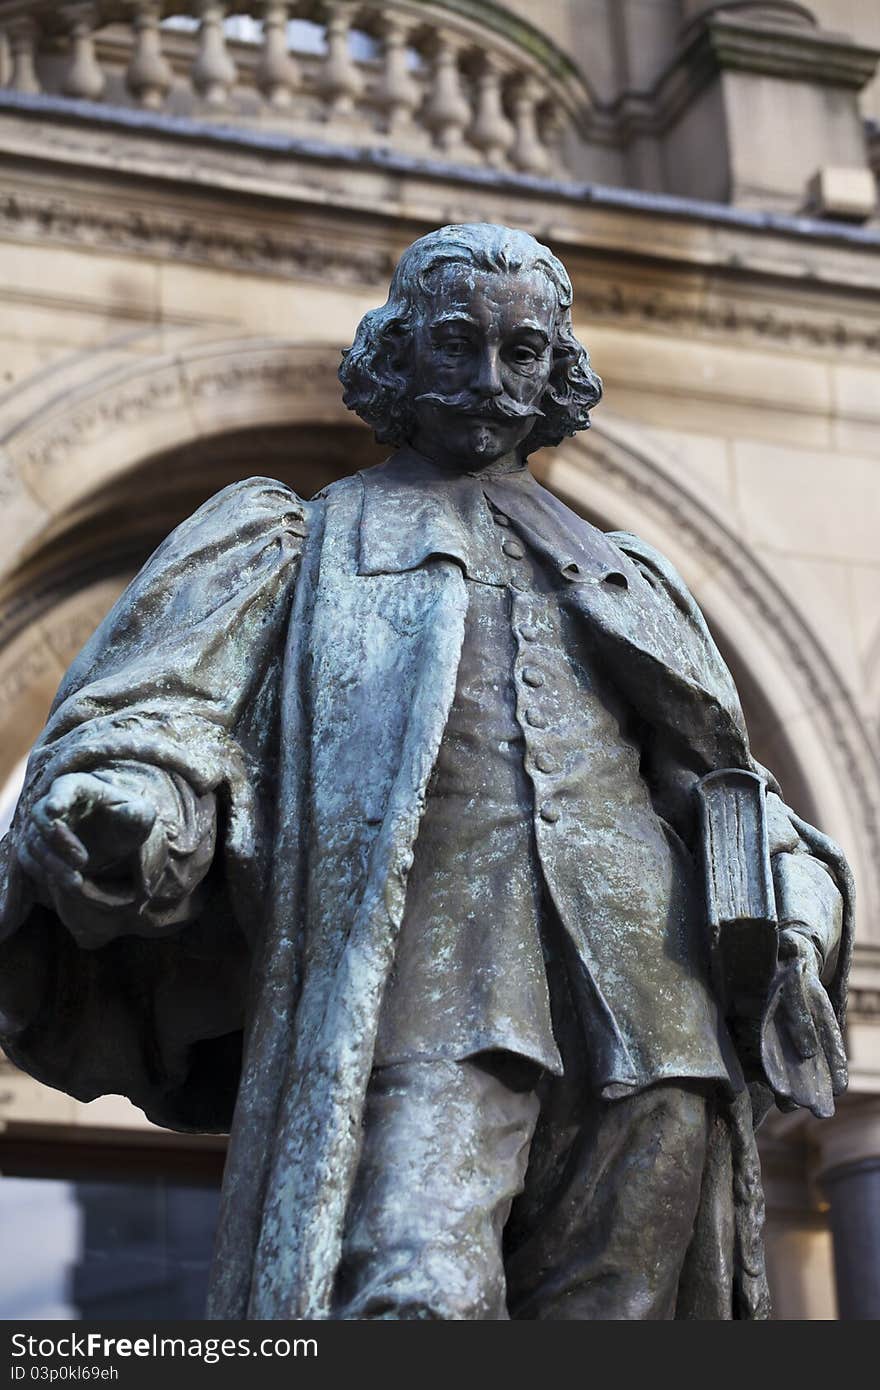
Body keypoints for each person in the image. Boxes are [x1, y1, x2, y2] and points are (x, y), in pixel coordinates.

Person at [0, 224, 852, 1320]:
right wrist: (123, 800)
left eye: (525, 352)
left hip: (652, 997)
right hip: (420, 983)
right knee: (408, 1292)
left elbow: (726, 789)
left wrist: (800, 899)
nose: (492, 382)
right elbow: (162, 714)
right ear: (397, 354)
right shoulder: (296, 539)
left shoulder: (627, 571)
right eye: (456, 345)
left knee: (619, 1315)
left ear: (558, 370)